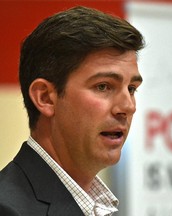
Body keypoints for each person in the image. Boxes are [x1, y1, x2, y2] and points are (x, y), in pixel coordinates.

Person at [0, 6, 144, 216]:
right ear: (46, 98)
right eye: (103, 86)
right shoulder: (8, 210)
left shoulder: (95, 204)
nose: (128, 107)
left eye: (131, 89)